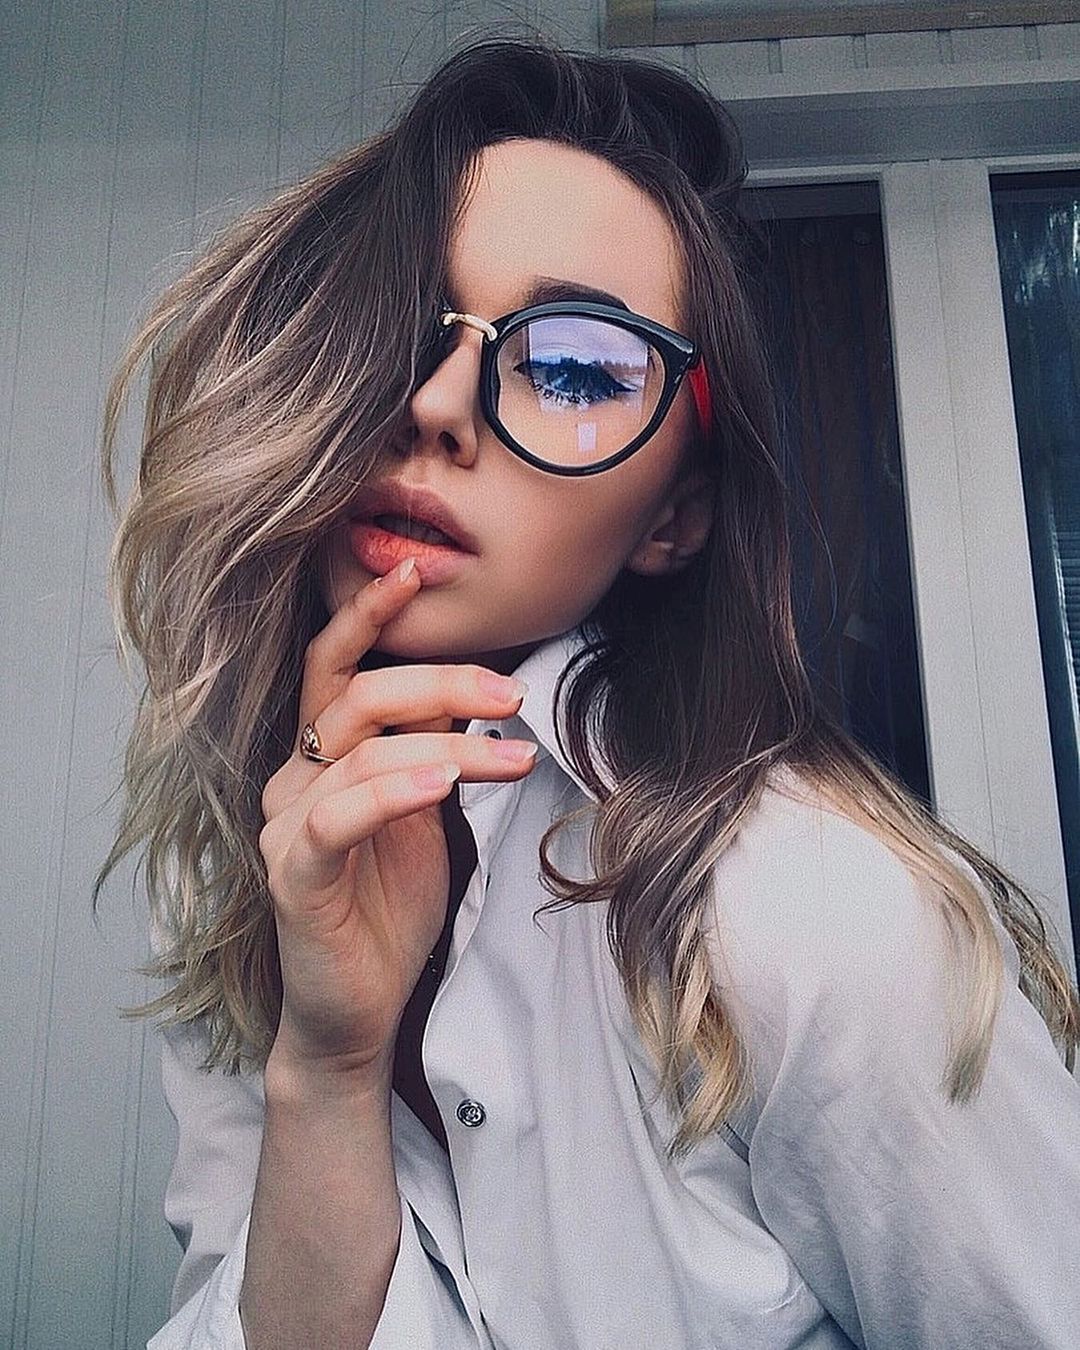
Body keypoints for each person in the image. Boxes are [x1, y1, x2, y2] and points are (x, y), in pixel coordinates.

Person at [94, 35, 1080, 1350]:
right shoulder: (254, 883)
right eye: (396, 329)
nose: (436, 403)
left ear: (673, 517)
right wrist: (327, 1070)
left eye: (571, 367)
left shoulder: (813, 908)